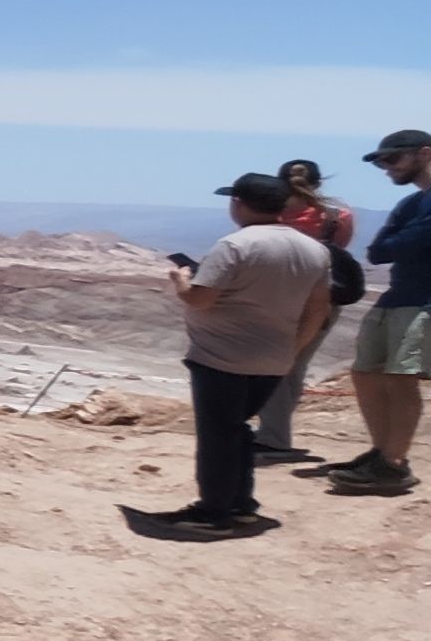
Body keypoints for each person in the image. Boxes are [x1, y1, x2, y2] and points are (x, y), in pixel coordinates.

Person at [158, 174, 335, 535]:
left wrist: (180, 281)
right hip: (274, 358)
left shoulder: (236, 245)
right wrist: (294, 350)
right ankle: (241, 505)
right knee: (238, 431)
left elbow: (200, 299)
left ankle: (213, 513)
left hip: (221, 356)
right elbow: (319, 308)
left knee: (218, 435)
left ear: (237, 203)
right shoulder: (314, 250)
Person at [324, 130, 431, 496]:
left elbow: (397, 244)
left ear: (425, 153)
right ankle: (382, 453)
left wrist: (405, 240)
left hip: (424, 300)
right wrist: (411, 237)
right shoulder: (411, 203)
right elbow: (379, 251)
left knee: (401, 377)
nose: (386, 168)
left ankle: (393, 464)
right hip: (397, 296)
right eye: (381, 162)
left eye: (392, 159)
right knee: (365, 371)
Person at [252, 156, 360, 464]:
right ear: (319, 183)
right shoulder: (338, 217)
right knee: (295, 366)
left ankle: (274, 440)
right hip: (322, 300)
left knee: (271, 365)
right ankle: (275, 433)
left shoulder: (270, 215)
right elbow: (337, 253)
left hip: (276, 297)